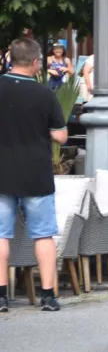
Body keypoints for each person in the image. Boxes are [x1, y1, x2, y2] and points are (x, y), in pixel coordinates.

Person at [0, 38, 69, 313]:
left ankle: (1, 297)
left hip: (2, 173)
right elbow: (61, 136)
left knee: (0, 236)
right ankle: (48, 296)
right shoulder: (45, 94)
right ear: (35, 63)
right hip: (37, 174)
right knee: (42, 235)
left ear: (10, 59)